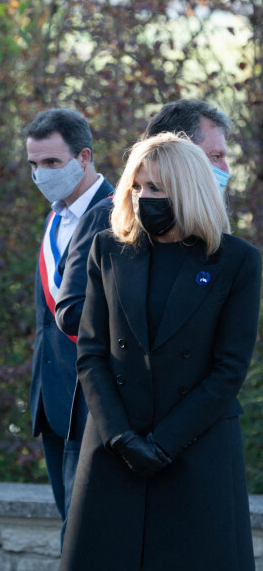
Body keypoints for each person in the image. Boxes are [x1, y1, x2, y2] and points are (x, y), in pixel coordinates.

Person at [59, 132, 260, 571]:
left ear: (188, 190)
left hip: (196, 449)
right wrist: (121, 438)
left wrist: (164, 444)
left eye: (156, 188)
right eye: (138, 186)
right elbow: (91, 353)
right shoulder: (108, 250)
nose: (143, 196)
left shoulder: (237, 261)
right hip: (116, 447)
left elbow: (228, 371)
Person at [56, 98, 232, 336]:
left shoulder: (207, 228)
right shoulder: (107, 216)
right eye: (215, 156)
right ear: (177, 151)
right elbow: (71, 311)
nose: (225, 169)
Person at [24, 108, 113, 538]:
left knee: (86, 539)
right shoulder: (56, 215)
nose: (41, 175)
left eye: (52, 163)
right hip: (53, 398)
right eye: (34, 165)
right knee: (69, 530)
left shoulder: (117, 215)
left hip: (92, 401)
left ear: (83, 157)